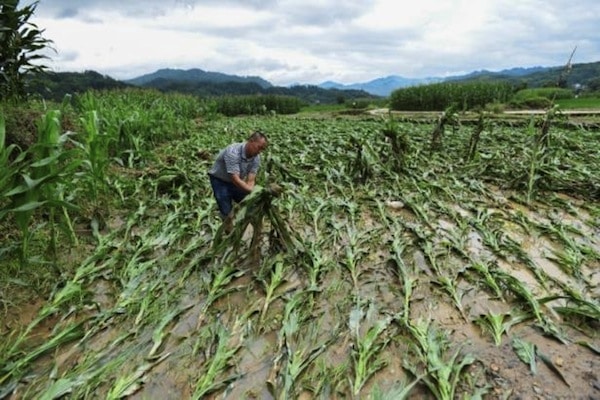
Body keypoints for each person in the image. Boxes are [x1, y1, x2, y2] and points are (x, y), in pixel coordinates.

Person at [208, 131, 268, 220]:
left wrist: (252, 192)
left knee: (249, 201)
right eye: (258, 147)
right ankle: (228, 227)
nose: (259, 152)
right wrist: (256, 191)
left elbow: (251, 179)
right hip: (220, 180)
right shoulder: (233, 152)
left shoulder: (256, 158)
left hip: (237, 180)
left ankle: (243, 222)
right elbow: (235, 179)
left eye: (262, 149)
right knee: (227, 211)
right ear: (251, 141)